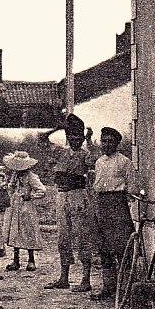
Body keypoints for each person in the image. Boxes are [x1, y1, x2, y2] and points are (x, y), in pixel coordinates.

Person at [45, 113, 96, 292]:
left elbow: (93, 161)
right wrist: (58, 128)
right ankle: (64, 277)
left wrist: (89, 140)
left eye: (79, 138)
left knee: (82, 236)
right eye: (72, 137)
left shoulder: (85, 154)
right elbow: (42, 140)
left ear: (82, 138)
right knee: (63, 238)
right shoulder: (61, 152)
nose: (75, 141)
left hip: (77, 195)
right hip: (62, 195)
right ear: (68, 137)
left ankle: (86, 279)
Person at [90, 126, 138, 301]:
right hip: (101, 204)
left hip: (117, 205)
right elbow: (97, 185)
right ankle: (108, 287)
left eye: (110, 141)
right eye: (104, 141)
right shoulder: (99, 162)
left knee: (121, 248)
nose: (106, 144)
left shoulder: (124, 162)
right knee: (104, 248)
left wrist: (124, 202)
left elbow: (132, 187)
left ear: (117, 143)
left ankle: (124, 289)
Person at [1, 151, 46, 272]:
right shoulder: (15, 175)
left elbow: (42, 190)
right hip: (15, 206)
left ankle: (31, 260)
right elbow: (11, 187)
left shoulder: (31, 176)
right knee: (15, 231)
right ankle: (16, 260)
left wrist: (30, 195)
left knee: (28, 231)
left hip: (26, 207)